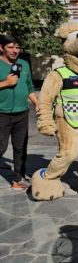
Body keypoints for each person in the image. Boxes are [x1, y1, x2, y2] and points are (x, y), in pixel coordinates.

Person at [0, 35, 39, 189]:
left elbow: (29, 86)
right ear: (1, 48)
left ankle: (18, 179)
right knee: (0, 147)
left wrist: (37, 103)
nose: (15, 51)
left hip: (22, 113)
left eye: (17, 47)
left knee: (20, 147)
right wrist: (5, 83)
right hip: (2, 113)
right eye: (10, 47)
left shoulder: (23, 64)